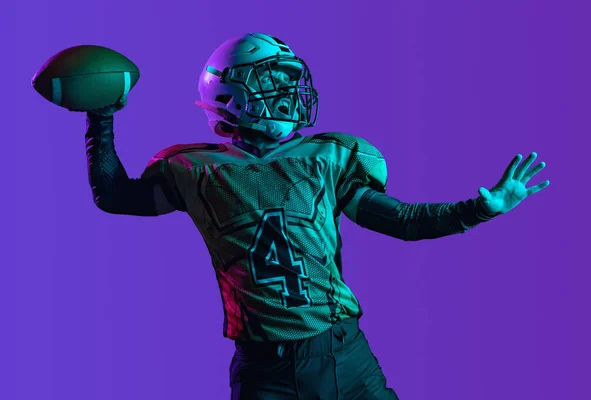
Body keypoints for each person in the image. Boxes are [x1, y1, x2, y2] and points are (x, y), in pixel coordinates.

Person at [82, 33, 550, 399]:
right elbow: (116, 196)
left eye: (287, 81)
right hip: (263, 366)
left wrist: (482, 208)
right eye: (271, 83)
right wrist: (101, 119)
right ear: (230, 97)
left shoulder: (327, 156)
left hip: (341, 353)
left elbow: (403, 222)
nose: (287, 94)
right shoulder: (193, 169)